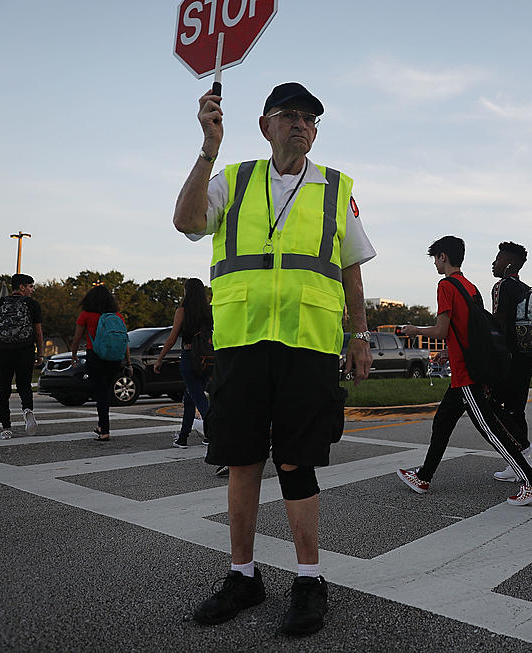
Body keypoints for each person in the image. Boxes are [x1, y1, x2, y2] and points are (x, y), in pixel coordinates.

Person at [173, 82, 374, 637]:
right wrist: (209, 146)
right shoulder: (232, 179)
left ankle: (308, 580)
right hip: (241, 341)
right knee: (241, 460)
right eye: (290, 115)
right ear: (264, 125)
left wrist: (359, 334)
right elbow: (186, 222)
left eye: (310, 118)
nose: (302, 124)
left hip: (308, 344)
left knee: (296, 460)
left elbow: (352, 266)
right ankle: (243, 575)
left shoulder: (336, 189)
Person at [396, 235, 532, 506]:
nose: (435, 263)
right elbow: (471, 332)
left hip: (467, 373)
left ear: (444, 257)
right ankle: (424, 476)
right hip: (469, 367)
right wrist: (448, 351)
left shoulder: (446, 285)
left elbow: (442, 330)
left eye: (436, 257)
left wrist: (413, 329)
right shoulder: (471, 287)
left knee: (489, 428)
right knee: (442, 422)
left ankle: (531, 482)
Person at [489, 241, 532, 482]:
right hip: (528, 357)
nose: (494, 263)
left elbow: (497, 325)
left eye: (498, 259)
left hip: (508, 358)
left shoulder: (502, 286)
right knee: (516, 408)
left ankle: (523, 451)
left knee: (490, 406)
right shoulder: (525, 289)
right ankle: (520, 462)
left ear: (509, 263)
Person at [153, 278, 212, 449]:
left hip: (189, 356)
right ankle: (183, 437)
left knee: (199, 398)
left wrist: (159, 359)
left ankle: (216, 433)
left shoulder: (182, 311)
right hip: (208, 358)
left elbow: (171, 339)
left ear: (187, 292)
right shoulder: (209, 311)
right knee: (190, 398)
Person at [69, 285, 132, 441]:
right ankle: (101, 425)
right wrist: (128, 362)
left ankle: (104, 430)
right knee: (105, 392)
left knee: (101, 393)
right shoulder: (117, 316)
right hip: (115, 359)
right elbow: (125, 341)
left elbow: (76, 339)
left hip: (95, 356)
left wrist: (74, 355)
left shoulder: (85, 315)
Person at [0, 273, 43, 439]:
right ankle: (27, 410)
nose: (32, 290)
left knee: (3, 390)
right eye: (30, 286)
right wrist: (39, 354)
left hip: (4, 351)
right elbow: (38, 332)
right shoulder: (32, 304)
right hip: (25, 350)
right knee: (24, 385)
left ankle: (6, 428)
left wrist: (0, 337)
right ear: (22, 287)